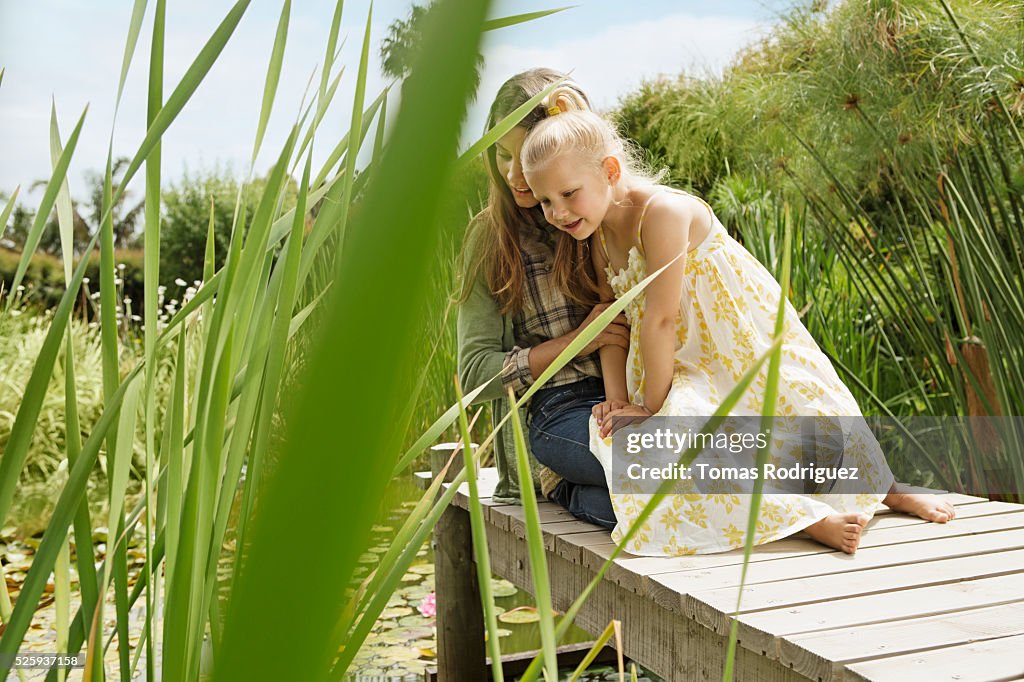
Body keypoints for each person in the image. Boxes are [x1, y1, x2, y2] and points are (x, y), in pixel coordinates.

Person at [519, 92, 957, 555]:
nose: (558, 213)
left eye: (568, 194)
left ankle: (883, 490)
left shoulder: (662, 213)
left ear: (609, 171)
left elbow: (662, 318)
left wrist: (649, 407)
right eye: (545, 201)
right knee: (675, 445)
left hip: (740, 349)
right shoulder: (598, 234)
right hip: (684, 368)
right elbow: (616, 326)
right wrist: (618, 402)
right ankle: (802, 518)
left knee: (805, 418)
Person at [457, 69, 627, 529]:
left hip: (633, 396)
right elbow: (473, 375)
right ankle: (564, 483)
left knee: (784, 445)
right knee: (651, 474)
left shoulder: (607, 215)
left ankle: (810, 507)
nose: (515, 173)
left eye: (527, 153)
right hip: (559, 408)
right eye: (502, 153)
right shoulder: (490, 239)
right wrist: (577, 341)